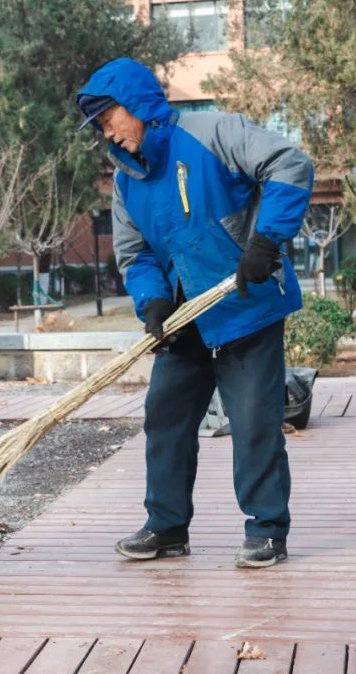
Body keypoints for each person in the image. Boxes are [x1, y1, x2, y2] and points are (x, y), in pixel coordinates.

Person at [75, 58, 314, 568]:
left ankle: (266, 529)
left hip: (244, 307)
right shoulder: (126, 182)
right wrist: (155, 302)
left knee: (253, 423)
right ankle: (167, 527)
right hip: (184, 320)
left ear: (137, 105)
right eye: (100, 125)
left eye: (110, 117)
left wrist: (267, 240)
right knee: (165, 418)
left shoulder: (213, 132)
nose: (108, 132)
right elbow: (135, 254)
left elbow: (290, 165)